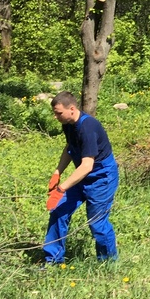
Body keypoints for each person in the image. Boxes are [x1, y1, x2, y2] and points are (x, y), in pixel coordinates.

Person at [42, 91, 119, 264]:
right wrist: (57, 172)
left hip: (101, 178)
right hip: (81, 177)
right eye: (54, 113)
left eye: (58, 113)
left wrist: (61, 188)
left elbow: (87, 166)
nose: (56, 117)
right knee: (58, 211)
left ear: (72, 108)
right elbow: (70, 147)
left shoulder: (88, 128)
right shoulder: (68, 123)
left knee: (97, 223)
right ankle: (53, 260)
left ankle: (108, 264)